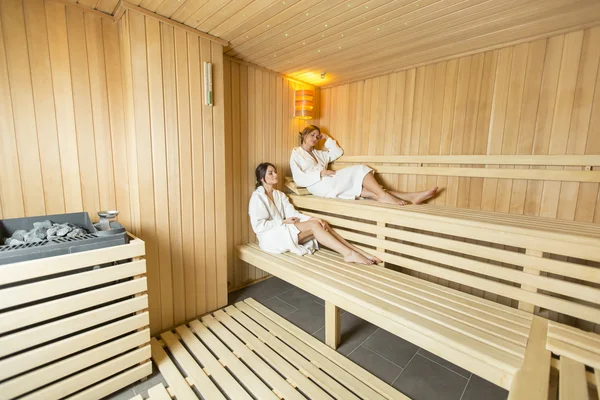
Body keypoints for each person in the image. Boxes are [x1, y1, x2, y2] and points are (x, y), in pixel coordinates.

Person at [249, 162, 382, 265]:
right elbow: (258, 226)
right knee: (314, 226)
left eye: (275, 172)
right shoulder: (257, 197)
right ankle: (349, 253)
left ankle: (356, 252)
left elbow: (293, 213)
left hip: (283, 230)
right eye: (270, 173)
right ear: (262, 178)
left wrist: (314, 218)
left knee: (321, 223)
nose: (275, 175)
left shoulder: (280, 195)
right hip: (270, 237)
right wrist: (283, 222)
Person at [290, 125, 438, 205]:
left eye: (317, 136)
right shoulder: (296, 154)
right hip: (319, 185)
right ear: (304, 135)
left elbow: (337, 152)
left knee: (365, 190)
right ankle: (385, 195)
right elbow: (298, 178)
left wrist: (327, 138)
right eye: (312, 135)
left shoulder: (319, 154)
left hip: (330, 181)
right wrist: (320, 173)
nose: (315, 138)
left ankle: (412, 197)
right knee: (361, 169)